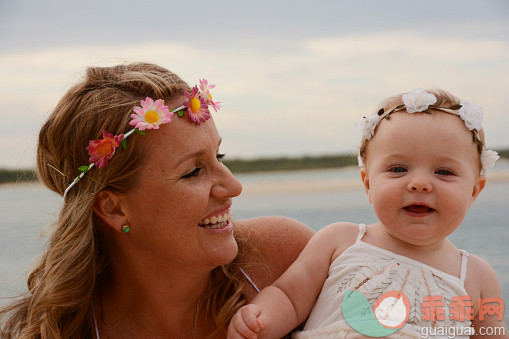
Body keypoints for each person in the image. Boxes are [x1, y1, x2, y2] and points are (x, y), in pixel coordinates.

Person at [0, 62, 314, 338]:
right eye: (193, 171)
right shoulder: (49, 331)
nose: (233, 185)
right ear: (113, 208)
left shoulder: (288, 260)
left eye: (220, 156)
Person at [228, 88, 508, 339]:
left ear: (474, 191)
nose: (419, 183)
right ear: (368, 184)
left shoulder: (476, 276)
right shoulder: (341, 241)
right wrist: (262, 318)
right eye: (398, 169)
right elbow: (289, 296)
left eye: (444, 172)